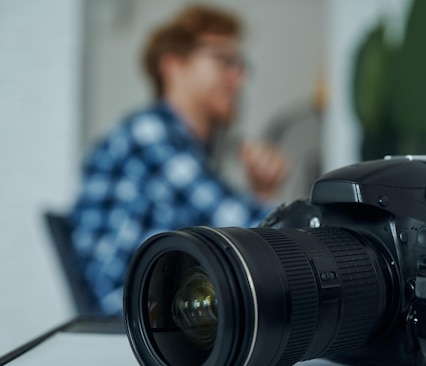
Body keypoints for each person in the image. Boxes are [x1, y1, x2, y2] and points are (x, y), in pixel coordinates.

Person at [70, 4, 289, 315]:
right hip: (128, 317)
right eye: (224, 60)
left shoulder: (181, 145)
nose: (239, 77)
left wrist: (263, 193)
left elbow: (243, 242)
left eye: (240, 64)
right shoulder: (150, 134)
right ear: (173, 65)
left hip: (154, 312)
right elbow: (259, 237)